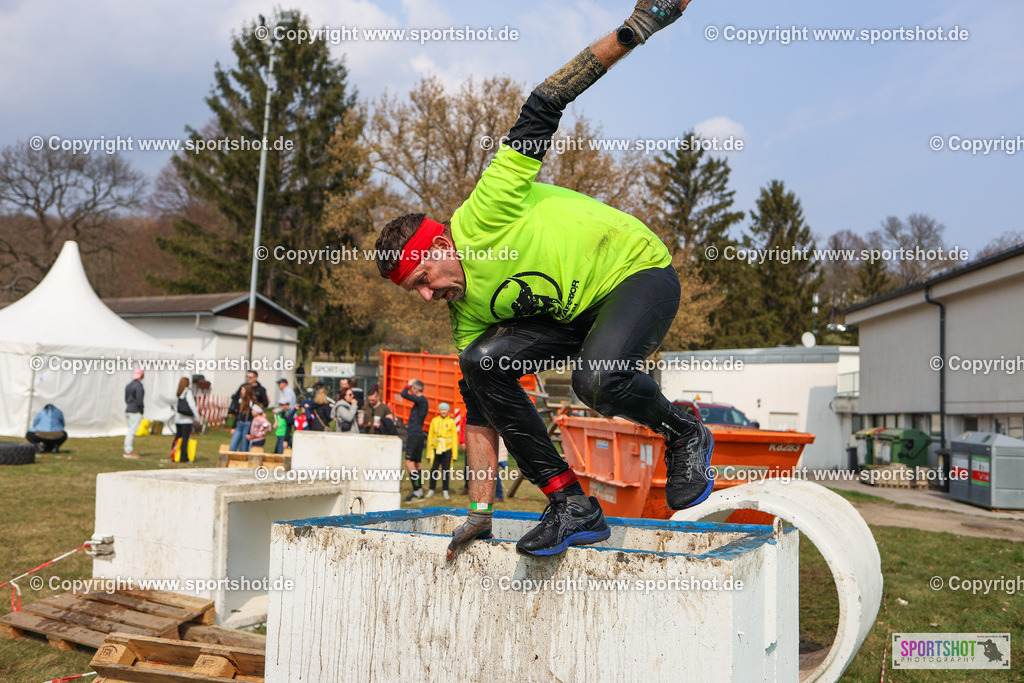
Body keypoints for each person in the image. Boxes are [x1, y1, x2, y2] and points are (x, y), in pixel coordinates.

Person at [374, 0, 713, 558]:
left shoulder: (488, 208)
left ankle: (683, 433)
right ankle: (570, 503)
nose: (430, 296)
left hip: (636, 274)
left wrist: (640, 28)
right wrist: (480, 510)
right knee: (480, 365)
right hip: (577, 319)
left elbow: (546, 100)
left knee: (596, 380)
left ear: (437, 243)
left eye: (425, 279)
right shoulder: (468, 313)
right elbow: (482, 412)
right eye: (418, 293)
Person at [399, 379, 429, 501]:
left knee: (409, 463)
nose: (411, 389)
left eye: (412, 388)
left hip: (414, 435)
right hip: (419, 435)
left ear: (416, 389)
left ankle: (416, 492)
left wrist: (408, 384)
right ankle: (420, 492)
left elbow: (404, 394)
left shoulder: (421, 400)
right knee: (416, 464)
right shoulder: (422, 401)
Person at [426, 402, 458, 500]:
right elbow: (430, 436)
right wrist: (428, 453)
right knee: (434, 469)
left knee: (445, 470)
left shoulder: (451, 422)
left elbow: (454, 438)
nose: (443, 411)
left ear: (448, 411)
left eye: (445, 410)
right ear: (439, 411)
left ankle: (445, 490)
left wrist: (455, 454)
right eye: (441, 409)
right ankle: (431, 489)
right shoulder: (434, 421)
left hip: (447, 449)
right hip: (436, 448)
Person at [172, 377, 201, 461]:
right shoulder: (187, 392)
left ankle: (174, 454)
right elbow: (192, 405)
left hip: (178, 419)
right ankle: (183, 457)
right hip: (186, 420)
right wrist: (197, 416)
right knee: (185, 439)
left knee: (177, 437)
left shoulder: (179, 392)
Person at [123, 368, 145, 459]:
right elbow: (140, 400)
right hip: (135, 411)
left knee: (130, 430)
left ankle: (128, 449)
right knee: (131, 432)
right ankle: (128, 450)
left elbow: (126, 398)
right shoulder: (139, 386)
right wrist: (141, 410)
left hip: (128, 409)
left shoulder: (128, 385)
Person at [229, 385, 254, 452]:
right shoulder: (240, 400)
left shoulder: (252, 402)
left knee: (244, 446)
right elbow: (237, 415)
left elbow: (252, 417)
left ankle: (244, 460)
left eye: (243, 390)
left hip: (247, 425)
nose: (241, 391)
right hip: (239, 424)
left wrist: (249, 432)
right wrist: (233, 427)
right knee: (232, 446)